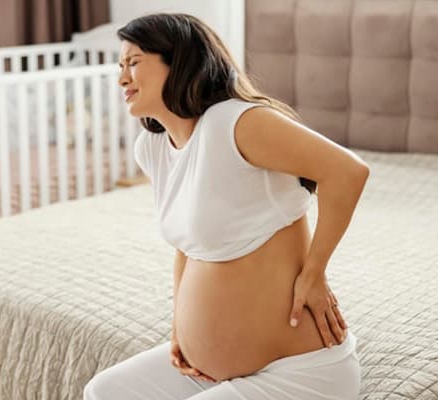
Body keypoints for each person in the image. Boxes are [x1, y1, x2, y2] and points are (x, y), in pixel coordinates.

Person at [84, 12, 369, 400]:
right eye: (120, 67)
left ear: (179, 62)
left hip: (297, 373)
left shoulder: (235, 121)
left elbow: (347, 172)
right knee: (105, 390)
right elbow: (186, 245)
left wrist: (314, 274)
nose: (121, 78)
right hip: (207, 371)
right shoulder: (151, 147)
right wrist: (180, 329)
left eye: (134, 63)